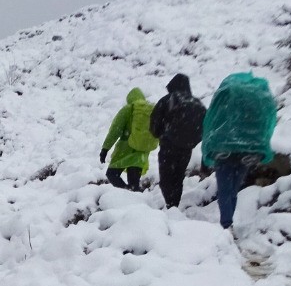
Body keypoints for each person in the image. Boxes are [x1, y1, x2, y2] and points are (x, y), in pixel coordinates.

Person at [201, 73, 277, 231]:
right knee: (233, 190)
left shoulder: (226, 105)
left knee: (224, 189)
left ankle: (226, 223)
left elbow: (211, 122)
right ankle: (228, 221)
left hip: (224, 151)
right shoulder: (253, 107)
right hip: (247, 151)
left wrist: (211, 147)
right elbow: (268, 121)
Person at [149, 74, 207, 208]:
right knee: (178, 178)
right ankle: (174, 205)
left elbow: (155, 123)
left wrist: (161, 134)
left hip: (168, 146)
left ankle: (171, 206)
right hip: (187, 147)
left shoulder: (168, 99)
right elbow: (206, 124)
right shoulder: (197, 102)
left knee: (166, 179)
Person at [99, 88, 158, 190]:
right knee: (134, 183)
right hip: (142, 151)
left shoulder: (128, 109)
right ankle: (134, 195)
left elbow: (115, 130)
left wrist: (105, 148)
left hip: (126, 149)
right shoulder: (150, 111)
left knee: (112, 174)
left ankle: (126, 193)